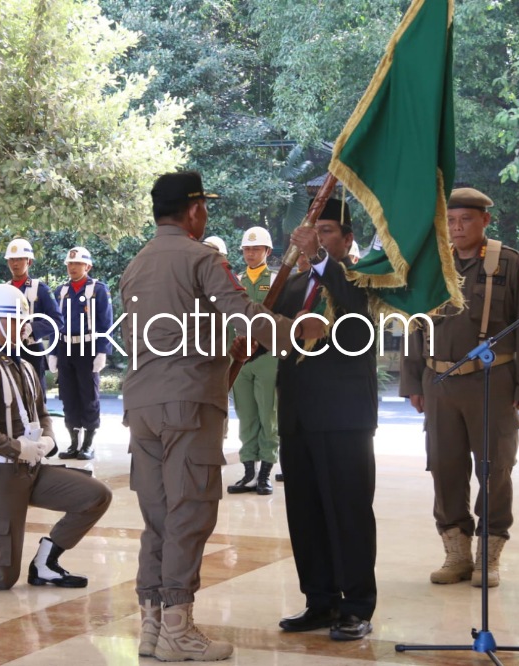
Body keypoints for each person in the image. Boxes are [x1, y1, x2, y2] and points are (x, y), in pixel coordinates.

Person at [119, 170, 326, 661]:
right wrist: (295, 331)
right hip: (187, 405)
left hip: (142, 406)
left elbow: (154, 334)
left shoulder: (136, 263)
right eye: (204, 206)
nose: (206, 214)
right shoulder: (201, 257)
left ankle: (152, 627)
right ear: (193, 210)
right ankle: (177, 630)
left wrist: (219, 350)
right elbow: (240, 311)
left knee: (158, 518)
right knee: (189, 513)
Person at [399, 187, 519, 588]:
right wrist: (412, 381)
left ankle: (489, 555)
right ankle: (457, 553)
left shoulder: (510, 265)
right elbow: (415, 325)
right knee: (444, 467)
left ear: (485, 220)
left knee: (495, 468)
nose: (457, 227)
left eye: (466, 219)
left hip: (492, 382)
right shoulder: (431, 265)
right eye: (450, 220)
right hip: (438, 383)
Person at [273, 199, 378, 641]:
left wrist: (317, 257)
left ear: (348, 239)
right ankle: (320, 600)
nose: (317, 238)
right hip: (297, 415)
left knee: (348, 512)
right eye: (313, 231)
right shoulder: (294, 285)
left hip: (343, 418)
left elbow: (353, 313)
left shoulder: (362, 279)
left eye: (328, 231)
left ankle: (356, 605)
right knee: (306, 514)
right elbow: (275, 334)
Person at [0, 284, 112, 590]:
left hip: (31, 470)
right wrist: (16, 448)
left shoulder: (27, 368)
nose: (23, 326)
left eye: (23, 319)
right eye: (14, 319)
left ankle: (45, 563)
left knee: (95, 495)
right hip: (0, 476)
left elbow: (42, 413)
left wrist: (47, 439)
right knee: (1, 578)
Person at [228, 226, 280, 496]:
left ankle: (265, 474)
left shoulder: (277, 281)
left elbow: (281, 321)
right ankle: (249, 472)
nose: (250, 253)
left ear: (267, 251)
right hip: (241, 359)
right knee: (246, 415)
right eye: (247, 249)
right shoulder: (235, 281)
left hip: (267, 357)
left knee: (267, 415)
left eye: (256, 249)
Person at [51, 246, 113, 460]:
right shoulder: (61, 291)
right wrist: (53, 352)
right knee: (68, 397)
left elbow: (106, 323)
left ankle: (88, 444)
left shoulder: (98, 289)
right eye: (70, 263)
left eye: (78, 263)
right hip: (65, 346)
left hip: (88, 347)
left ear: (88, 266)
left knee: (89, 397)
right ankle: (73, 443)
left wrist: (102, 351)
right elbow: (55, 324)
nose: (73, 267)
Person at [3, 238, 65, 392]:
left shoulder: (40, 289)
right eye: (12, 259)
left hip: (31, 349)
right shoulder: (3, 290)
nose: (15, 263)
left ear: (29, 262)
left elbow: (57, 320)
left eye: (19, 259)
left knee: (35, 397)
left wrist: (32, 328)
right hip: (8, 350)